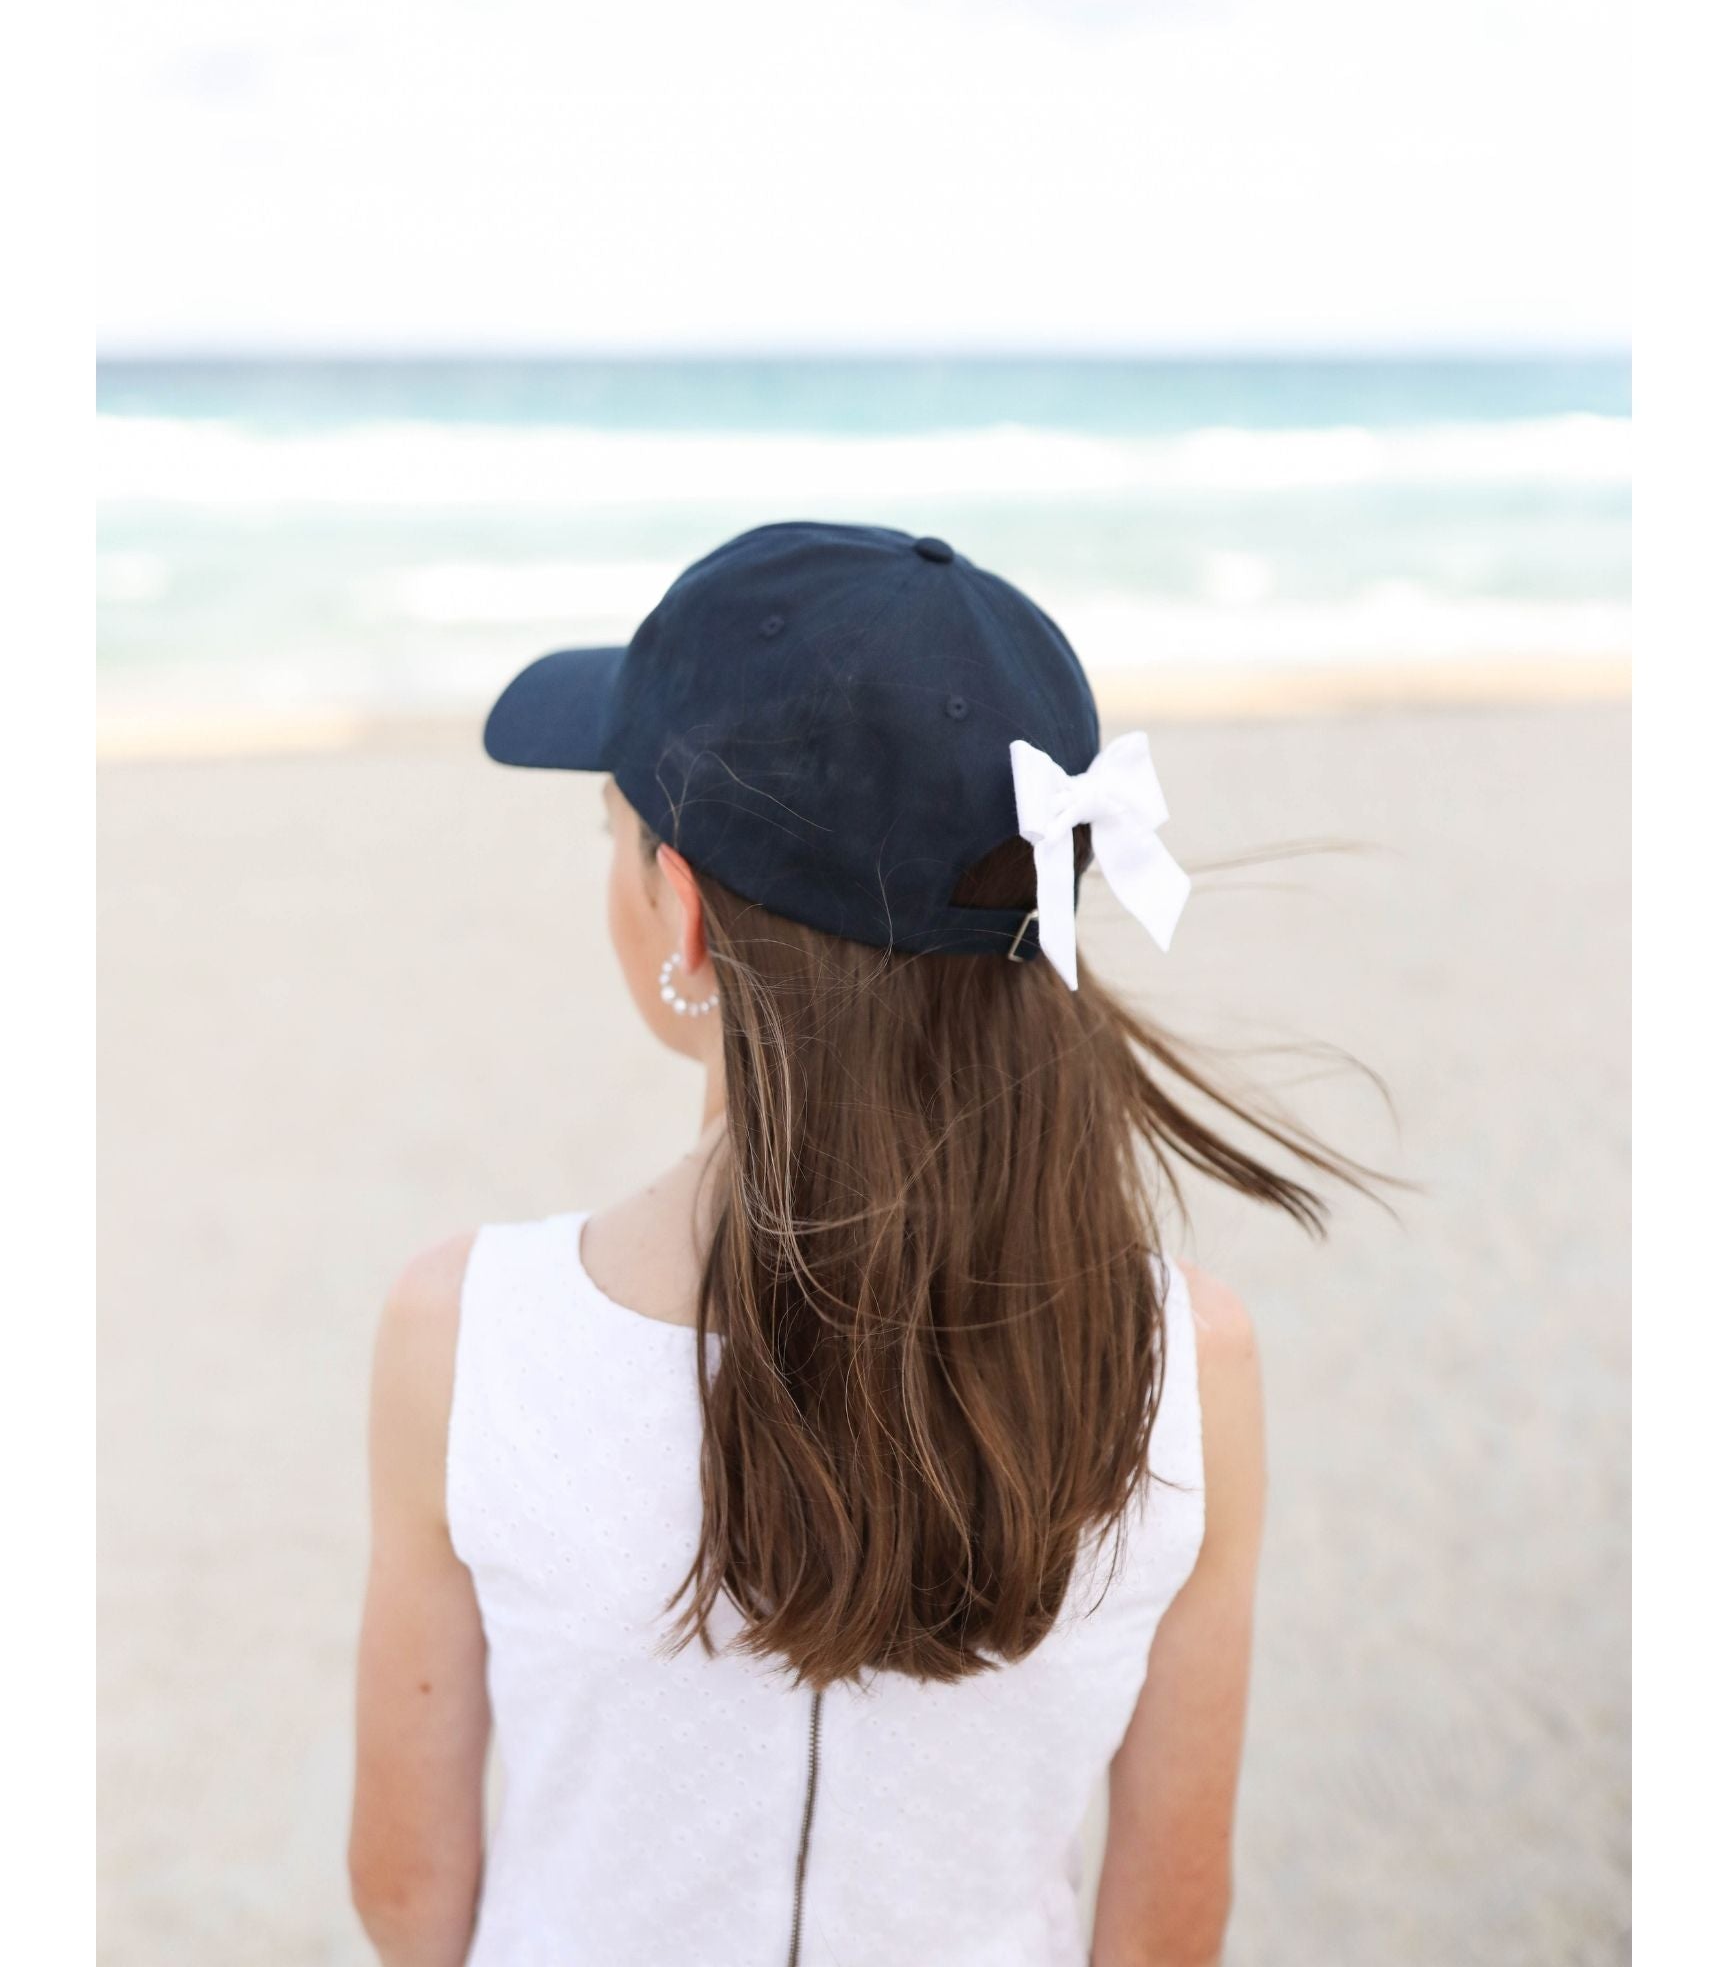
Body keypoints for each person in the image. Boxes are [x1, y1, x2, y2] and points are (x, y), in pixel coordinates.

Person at [348, 521, 1378, 1967]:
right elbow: (1165, 1926)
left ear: (684, 915)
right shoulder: (1189, 1367)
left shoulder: (461, 1332)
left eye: (619, 839)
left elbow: (408, 1889)